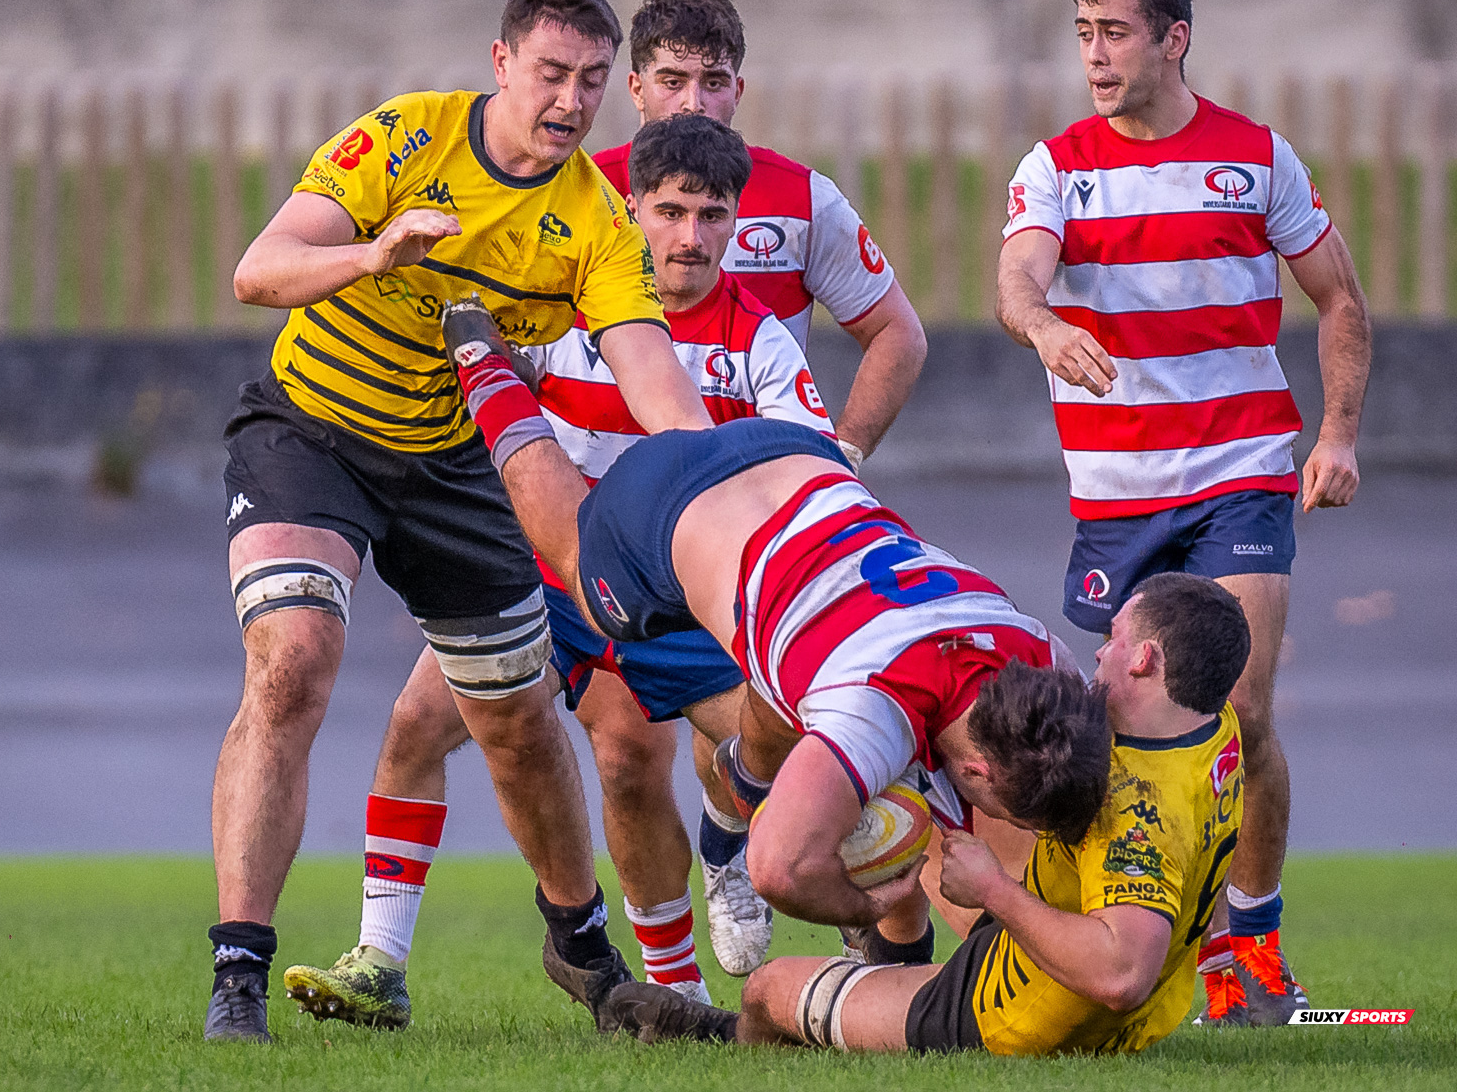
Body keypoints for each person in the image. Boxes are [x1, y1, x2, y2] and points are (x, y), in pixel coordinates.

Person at [203, 0, 715, 1042]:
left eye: (589, 82)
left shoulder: (593, 222)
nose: (569, 101)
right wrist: (373, 254)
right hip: (310, 431)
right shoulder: (405, 138)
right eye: (549, 74)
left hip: (449, 465)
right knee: (292, 660)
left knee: (522, 725)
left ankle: (578, 946)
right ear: (500, 64)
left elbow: (650, 374)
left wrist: (717, 481)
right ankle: (238, 975)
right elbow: (260, 269)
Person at [281, 114, 834, 1028]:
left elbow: (805, 478)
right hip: (545, 573)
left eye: (711, 215)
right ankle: (381, 958)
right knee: (416, 726)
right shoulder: (565, 313)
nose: (690, 237)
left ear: (736, 223)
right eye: (669, 212)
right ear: (631, 211)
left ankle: (802, 900)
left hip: (668, 597)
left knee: (799, 752)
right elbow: (475, 397)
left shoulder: (761, 344)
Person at [435, 308, 1112, 997]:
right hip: (670, 510)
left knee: (783, 671)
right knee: (578, 562)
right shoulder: (872, 711)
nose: (987, 816)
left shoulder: (1033, 648)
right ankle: (485, 370)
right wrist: (865, 904)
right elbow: (780, 870)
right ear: (976, 767)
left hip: (794, 462)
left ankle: (746, 776)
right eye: (999, 808)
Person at [993, 0, 1370, 1025]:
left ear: (1173, 37)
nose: (1096, 56)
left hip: (1241, 473)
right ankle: (1109, 939)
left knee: (1241, 709)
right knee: (1108, 720)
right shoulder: (1056, 165)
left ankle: (1248, 960)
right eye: (1082, 35)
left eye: (1114, 32)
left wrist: (1336, 434)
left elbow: (1340, 301)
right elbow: (1017, 275)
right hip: (1115, 495)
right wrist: (1044, 320)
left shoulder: (1255, 159)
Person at [589, 0, 930, 976]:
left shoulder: (801, 196)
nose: (695, 99)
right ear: (636, 87)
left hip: (754, 511)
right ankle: (664, 966)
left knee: (794, 721)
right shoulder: (577, 190)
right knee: (617, 748)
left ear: (742, 87)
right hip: (604, 509)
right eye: (673, 79)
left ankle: (776, 877)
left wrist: (839, 465)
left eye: (715, 79)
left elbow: (895, 337)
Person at [609, 573, 1248, 1058]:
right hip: (1083, 983)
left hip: (1019, 1008)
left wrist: (994, 892)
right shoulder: (1213, 729)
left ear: (1146, 662)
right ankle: (876, 986)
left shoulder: (1134, 806)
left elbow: (1121, 973)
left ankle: (726, 1038)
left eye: (1114, 642)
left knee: (767, 990)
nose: (1100, 654)